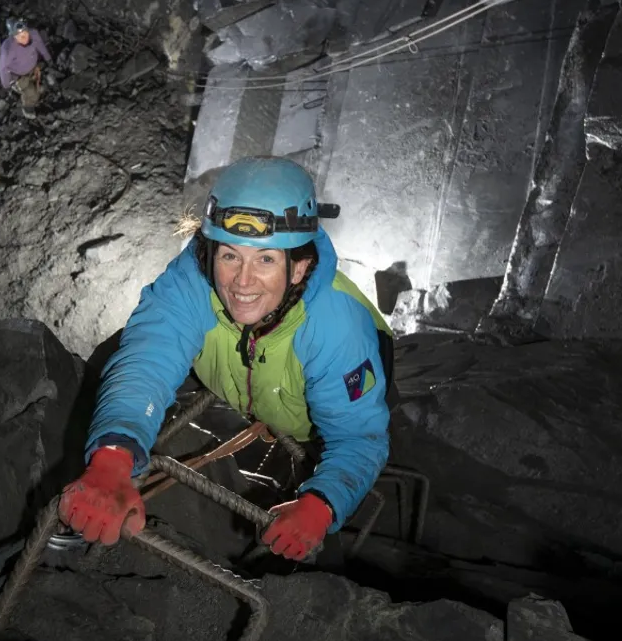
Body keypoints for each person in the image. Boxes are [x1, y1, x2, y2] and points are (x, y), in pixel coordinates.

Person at [59, 156, 393, 561]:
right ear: (211, 249)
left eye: (266, 259)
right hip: (236, 378)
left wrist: (322, 505)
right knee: (114, 355)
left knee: (321, 527)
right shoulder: (192, 279)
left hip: (323, 397)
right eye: (230, 255)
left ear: (300, 268)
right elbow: (148, 358)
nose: (242, 281)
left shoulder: (336, 328)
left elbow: (357, 436)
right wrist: (112, 457)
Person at [0, 17, 51, 119]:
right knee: (32, 94)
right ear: (13, 36)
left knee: (39, 86)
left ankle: (35, 89)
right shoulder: (8, 49)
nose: (25, 37)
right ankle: (27, 108)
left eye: (25, 32)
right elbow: (3, 68)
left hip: (32, 67)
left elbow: (40, 45)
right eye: (20, 36)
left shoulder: (33, 34)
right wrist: (7, 85)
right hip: (18, 76)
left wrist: (48, 58)